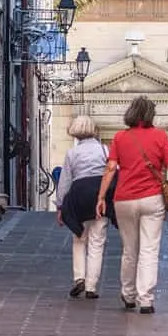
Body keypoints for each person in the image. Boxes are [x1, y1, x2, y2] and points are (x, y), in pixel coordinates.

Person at [95, 96, 168, 314]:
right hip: (152, 198)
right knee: (149, 249)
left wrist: (100, 197)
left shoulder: (119, 137)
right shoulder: (160, 136)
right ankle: (145, 299)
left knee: (129, 249)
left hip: (124, 198)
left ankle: (128, 295)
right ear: (150, 114)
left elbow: (110, 168)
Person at [55, 115, 109, 299]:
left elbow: (65, 181)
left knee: (79, 237)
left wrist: (60, 206)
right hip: (98, 195)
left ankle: (79, 278)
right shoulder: (104, 150)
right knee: (97, 241)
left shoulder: (72, 153)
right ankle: (92, 286)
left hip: (78, 194)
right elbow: (112, 173)